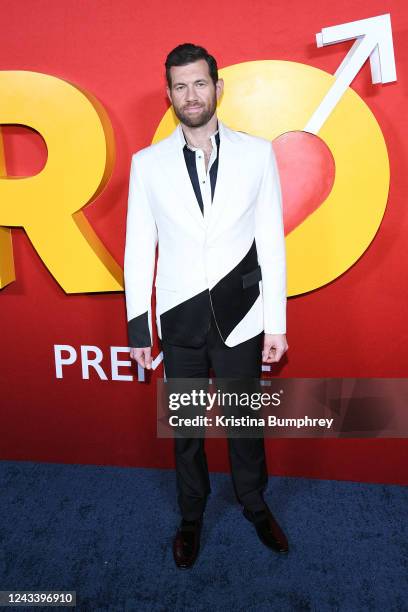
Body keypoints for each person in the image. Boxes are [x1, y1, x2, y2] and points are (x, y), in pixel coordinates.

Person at [124, 43, 289, 569]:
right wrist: (137, 330)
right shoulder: (146, 165)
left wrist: (276, 324)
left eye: (199, 83)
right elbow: (137, 250)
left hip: (242, 316)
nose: (190, 95)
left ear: (218, 88)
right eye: (180, 86)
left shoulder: (258, 153)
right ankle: (190, 517)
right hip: (179, 320)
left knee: (245, 423)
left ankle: (255, 504)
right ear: (169, 94)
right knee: (187, 429)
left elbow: (271, 243)